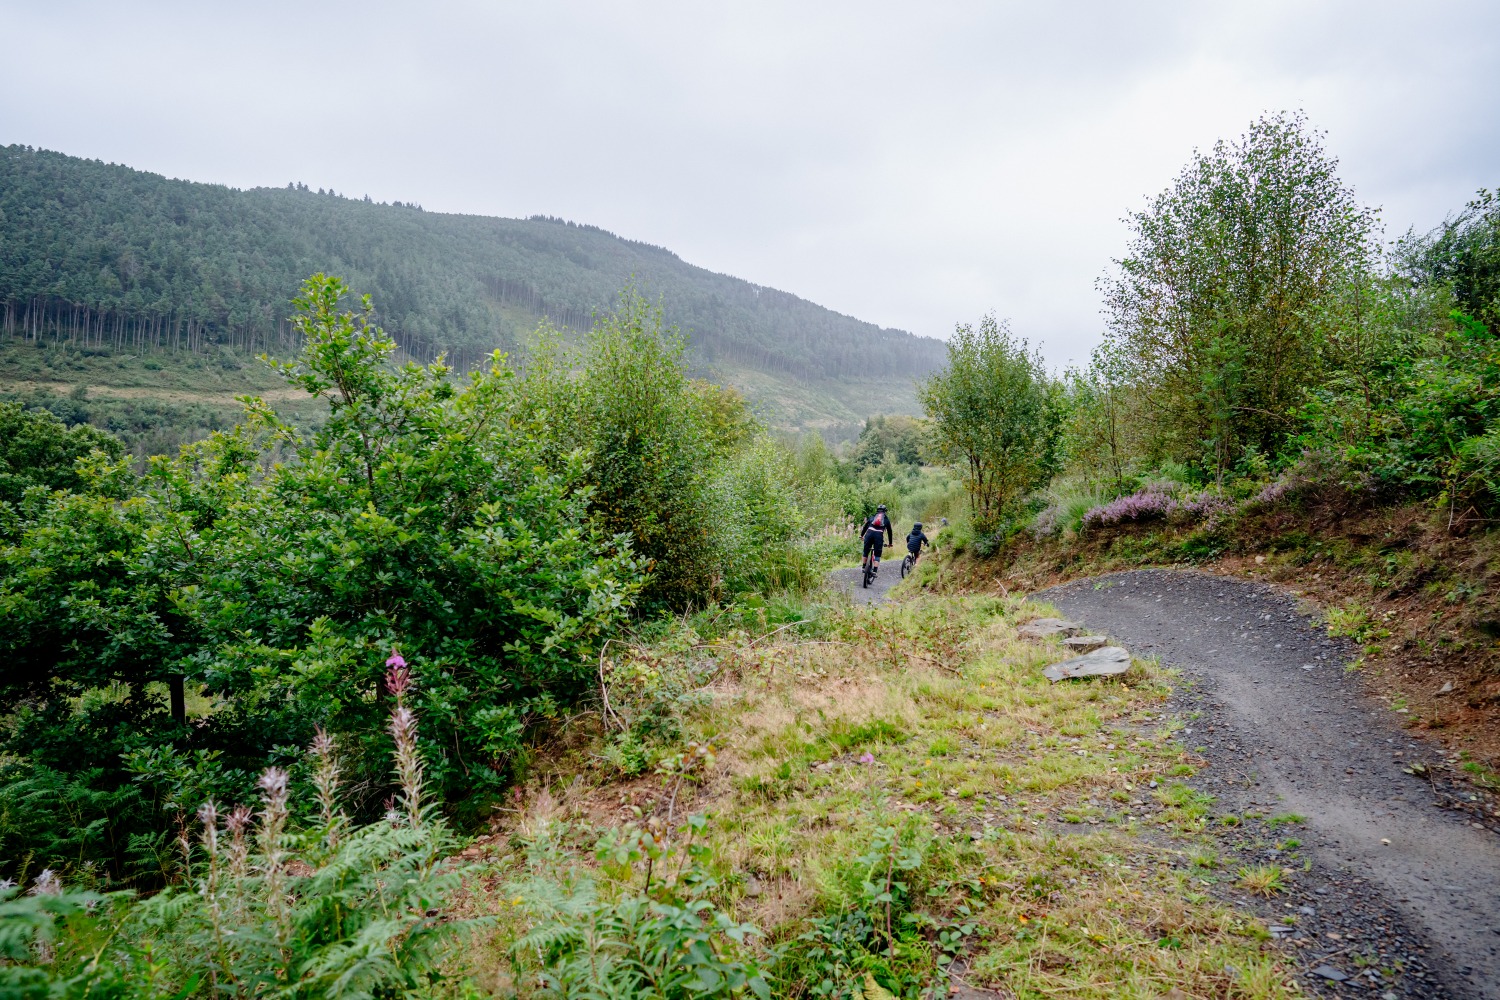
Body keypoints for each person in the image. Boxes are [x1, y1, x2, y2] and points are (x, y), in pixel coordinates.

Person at [858, 504, 895, 575]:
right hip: (878, 536)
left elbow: (866, 526)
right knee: (877, 554)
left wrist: (862, 535)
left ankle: (863, 567)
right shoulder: (886, 520)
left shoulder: (872, 517)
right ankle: (874, 571)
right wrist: (890, 543)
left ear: (877, 510)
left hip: (869, 534)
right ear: (885, 511)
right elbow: (890, 532)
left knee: (865, 551)